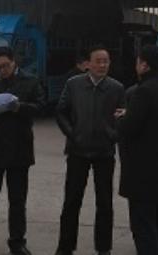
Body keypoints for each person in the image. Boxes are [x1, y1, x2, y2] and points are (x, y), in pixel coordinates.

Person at [0, 47, 46, 255]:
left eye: (5, 66)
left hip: (19, 148)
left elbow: (41, 107)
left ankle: (17, 242)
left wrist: (19, 107)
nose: (2, 70)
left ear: (14, 62)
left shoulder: (30, 81)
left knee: (17, 200)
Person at [55, 45, 125, 255]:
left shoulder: (116, 88)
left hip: (104, 152)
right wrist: (72, 133)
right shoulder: (73, 84)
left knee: (104, 203)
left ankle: (103, 248)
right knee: (71, 201)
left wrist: (113, 134)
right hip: (78, 151)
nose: (102, 65)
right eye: (98, 61)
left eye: (106, 61)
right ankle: (65, 247)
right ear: (88, 64)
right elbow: (61, 112)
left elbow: (122, 116)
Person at [116, 45, 158, 255]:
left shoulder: (144, 90)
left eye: (138, 61)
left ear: (145, 65)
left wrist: (121, 118)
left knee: (143, 225)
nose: (136, 65)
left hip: (142, 170)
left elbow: (129, 128)